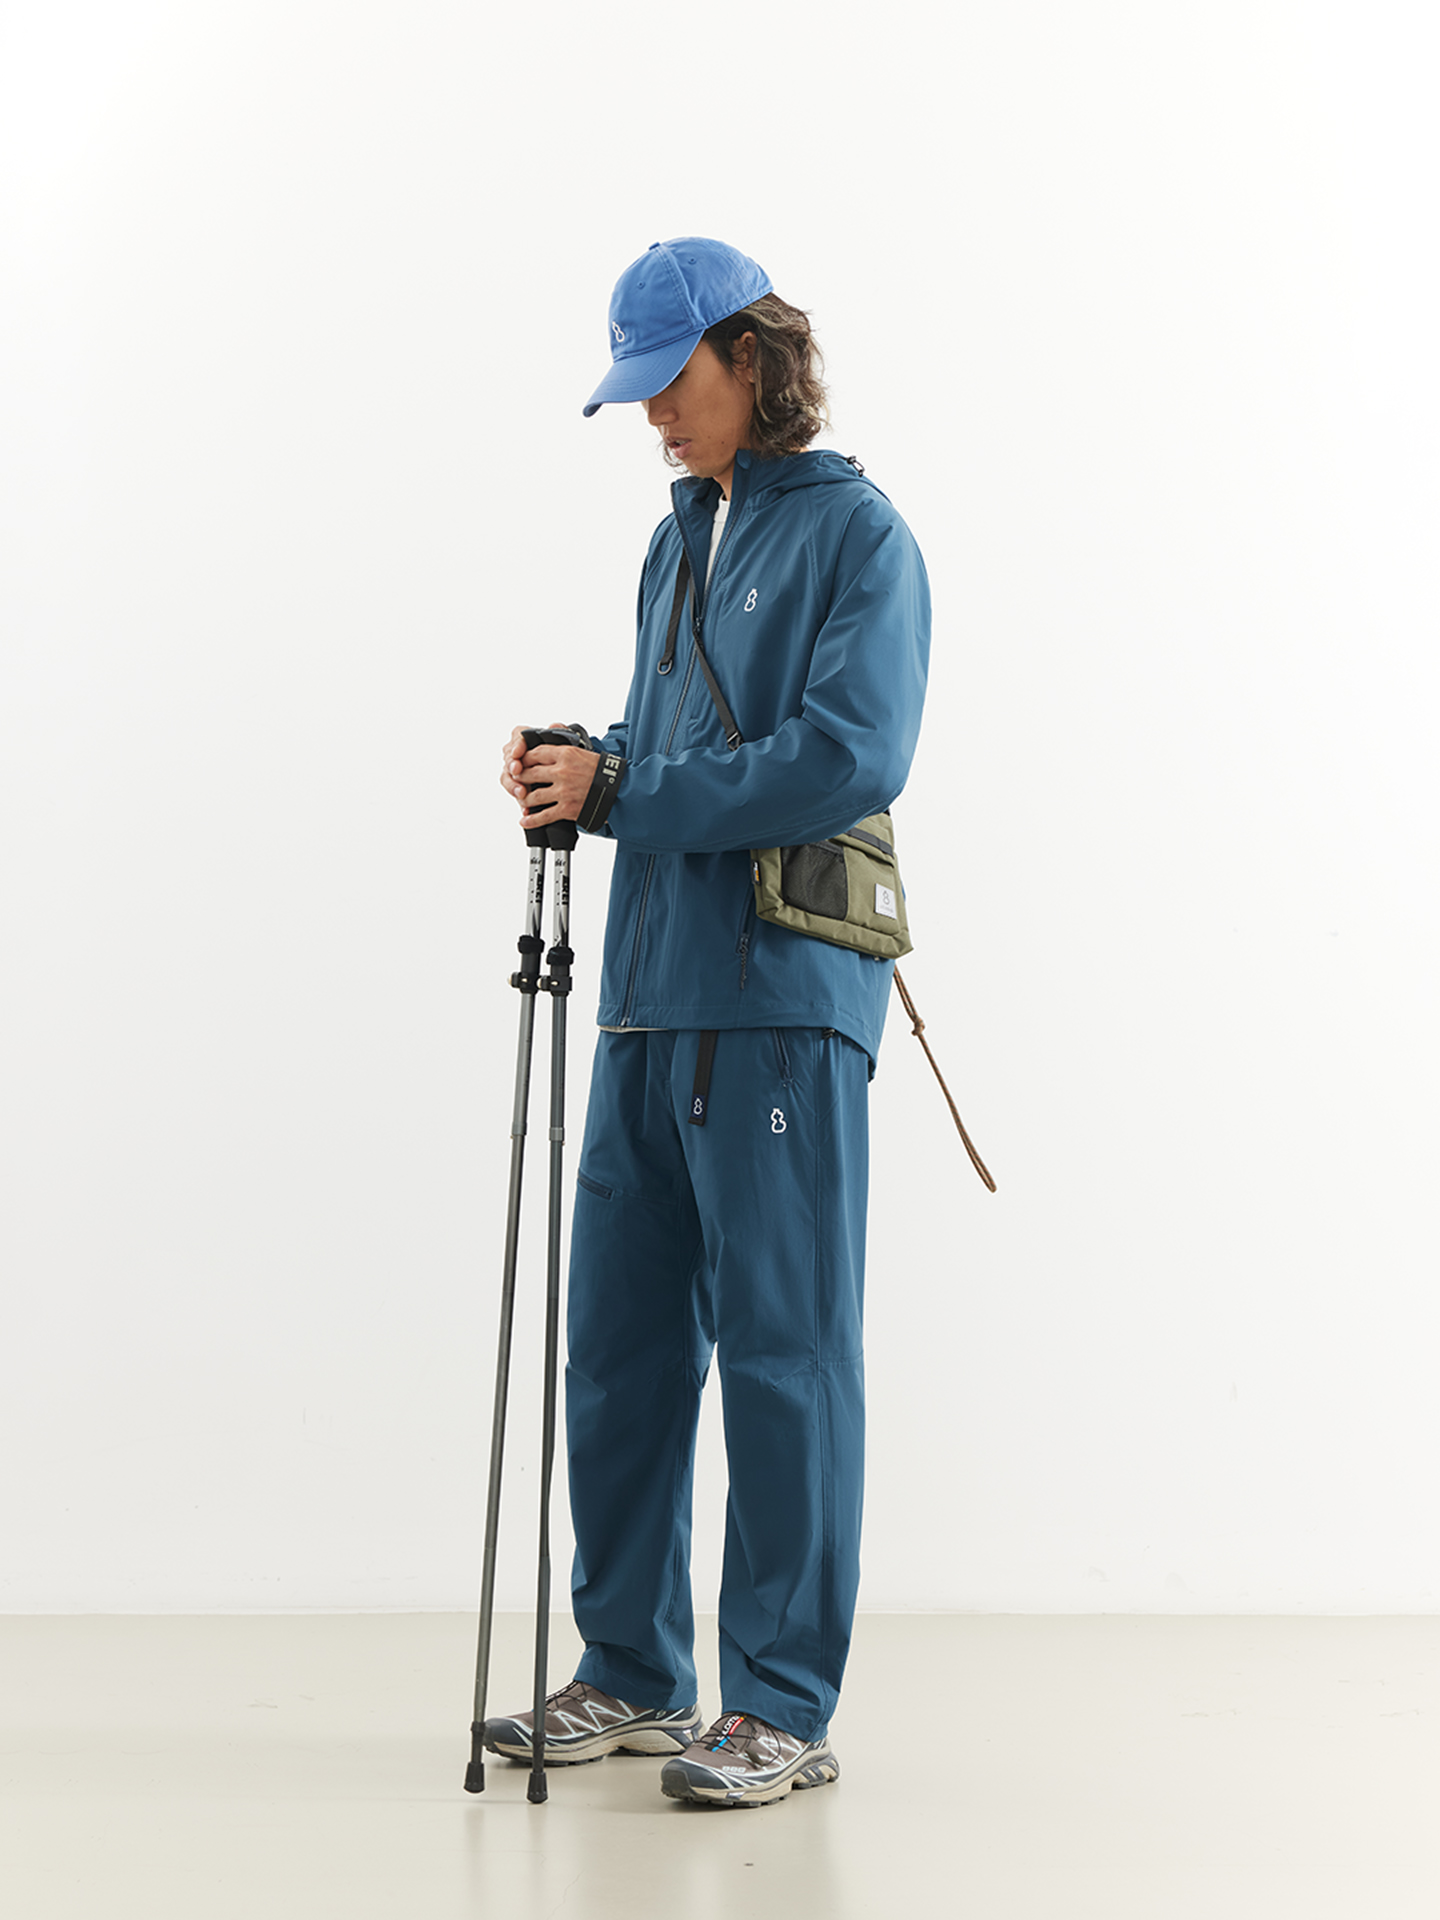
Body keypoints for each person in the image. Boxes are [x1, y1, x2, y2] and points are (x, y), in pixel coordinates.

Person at [484, 237, 930, 1807]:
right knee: (618, 1350)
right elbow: (672, 754)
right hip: (647, 1003)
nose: (654, 417)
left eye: (671, 382)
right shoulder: (675, 545)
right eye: (637, 393)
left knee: (786, 1355)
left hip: (784, 1002)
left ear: (753, 357)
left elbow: (848, 754)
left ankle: (782, 1705)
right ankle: (632, 1672)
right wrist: (585, 762)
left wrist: (631, 787)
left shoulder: (860, 536)